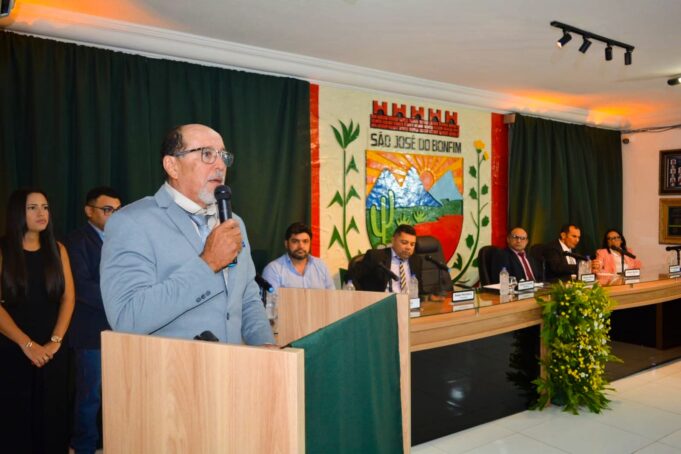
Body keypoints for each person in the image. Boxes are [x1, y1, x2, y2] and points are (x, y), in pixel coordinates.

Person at [100, 124, 274, 346]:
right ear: (172, 166)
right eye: (207, 154)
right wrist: (207, 264)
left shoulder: (233, 223)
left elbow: (247, 299)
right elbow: (126, 318)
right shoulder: (131, 222)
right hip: (170, 366)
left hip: (232, 364)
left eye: (223, 156)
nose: (220, 165)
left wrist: (266, 346)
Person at [0, 188, 75, 453]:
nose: (41, 213)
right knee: (15, 420)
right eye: (32, 208)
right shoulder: (3, 250)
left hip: (53, 350)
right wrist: (27, 345)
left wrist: (55, 342)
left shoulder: (58, 249)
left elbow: (68, 299)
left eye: (45, 207)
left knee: (52, 418)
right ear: (17, 212)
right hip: (12, 347)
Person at [66, 186, 121, 454]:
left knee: (120, 394)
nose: (114, 216)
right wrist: (120, 300)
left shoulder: (124, 240)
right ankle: (84, 447)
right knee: (90, 396)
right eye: (107, 210)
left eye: (118, 210)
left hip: (122, 331)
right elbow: (80, 286)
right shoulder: (76, 241)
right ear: (89, 211)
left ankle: (117, 444)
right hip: (91, 332)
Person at [262, 222, 335, 291]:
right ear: (286, 244)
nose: (301, 246)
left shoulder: (321, 266)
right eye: (295, 241)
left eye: (305, 241)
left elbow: (332, 297)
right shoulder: (273, 270)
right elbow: (271, 299)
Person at [351, 224, 423, 293]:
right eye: (404, 242)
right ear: (393, 240)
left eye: (412, 244)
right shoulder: (376, 257)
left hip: (410, 300)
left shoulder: (416, 260)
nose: (409, 247)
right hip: (384, 300)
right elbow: (352, 277)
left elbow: (419, 289)